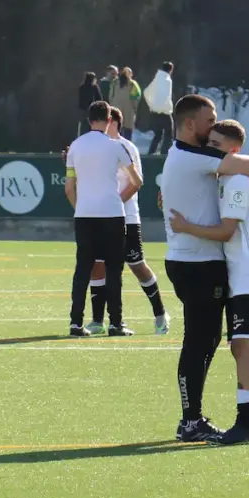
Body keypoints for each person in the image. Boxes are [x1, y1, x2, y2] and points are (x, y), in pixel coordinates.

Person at [161, 93, 249, 442]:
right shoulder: (195, 155)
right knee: (200, 343)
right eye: (209, 121)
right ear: (190, 124)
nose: (212, 126)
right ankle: (191, 421)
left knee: (207, 341)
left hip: (189, 259)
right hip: (199, 262)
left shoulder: (184, 156)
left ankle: (197, 418)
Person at [86, 107, 170, 336]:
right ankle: (96, 320)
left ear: (113, 123)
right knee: (97, 264)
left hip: (126, 219)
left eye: (104, 122)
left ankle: (160, 314)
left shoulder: (126, 147)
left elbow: (135, 184)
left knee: (137, 265)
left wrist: (113, 203)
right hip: (100, 218)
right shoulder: (95, 148)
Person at [64, 101, 142, 336]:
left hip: (85, 216)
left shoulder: (75, 147)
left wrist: (81, 208)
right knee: (113, 270)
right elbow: (136, 181)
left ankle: (76, 323)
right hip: (111, 214)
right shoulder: (116, 146)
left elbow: (69, 187)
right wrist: (119, 198)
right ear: (109, 120)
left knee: (83, 270)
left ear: (89, 120)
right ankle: (115, 323)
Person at [145, 62, 175, 154]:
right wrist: (165, 106)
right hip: (164, 111)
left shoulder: (157, 79)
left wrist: (152, 105)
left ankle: (151, 152)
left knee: (158, 134)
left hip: (155, 111)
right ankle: (164, 152)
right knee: (169, 132)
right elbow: (166, 96)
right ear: (170, 70)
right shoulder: (167, 80)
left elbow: (146, 92)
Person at [109, 66, 142, 140]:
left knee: (117, 127)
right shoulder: (133, 84)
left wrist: (112, 105)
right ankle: (127, 144)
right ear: (130, 74)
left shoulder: (114, 82)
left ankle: (116, 144)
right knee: (128, 129)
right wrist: (135, 107)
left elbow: (111, 96)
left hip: (116, 108)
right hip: (129, 109)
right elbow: (136, 97)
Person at [77, 72, 104, 137]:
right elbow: (99, 99)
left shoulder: (81, 87)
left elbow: (80, 100)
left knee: (83, 128)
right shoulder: (94, 87)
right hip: (93, 110)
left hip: (83, 110)